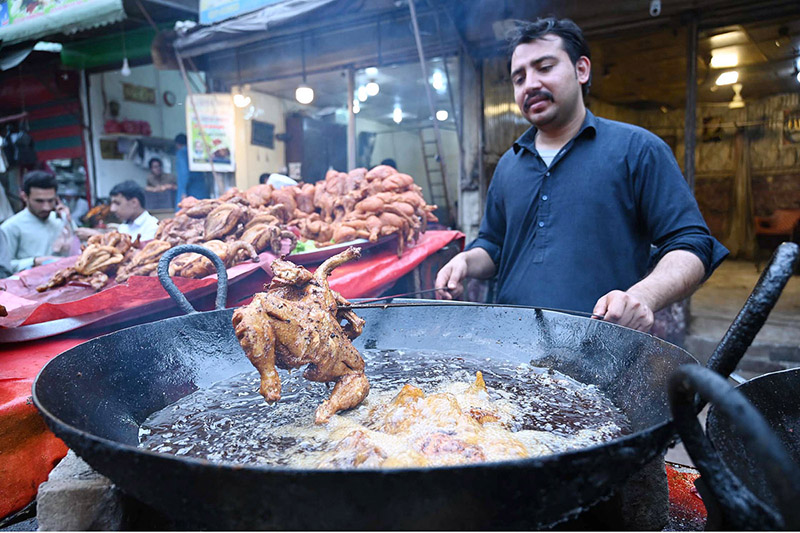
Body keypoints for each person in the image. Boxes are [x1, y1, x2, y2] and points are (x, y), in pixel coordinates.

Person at [435, 17, 728, 332]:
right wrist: (465, 262)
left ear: (581, 70)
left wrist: (642, 295)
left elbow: (692, 244)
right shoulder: (510, 163)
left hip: (602, 347)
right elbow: (493, 245)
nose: (530, 84)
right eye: (518, 78)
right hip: (511, 344)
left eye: (544, 68)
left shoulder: (637, 150)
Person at [0, 171, 73, 272]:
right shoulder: (10, 227)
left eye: (50, 201)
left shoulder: (59, 219)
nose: (46, 207)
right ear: (25, 197)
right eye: (39, 201)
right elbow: (5, 267)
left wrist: (68, 222)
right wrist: (34, 261)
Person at [175, 133, 209, 207]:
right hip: (201, 189)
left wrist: (183, 191)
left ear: (178, 145)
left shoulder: (182, 153)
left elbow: (184, 173)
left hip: (190, 191)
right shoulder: (196, 152)